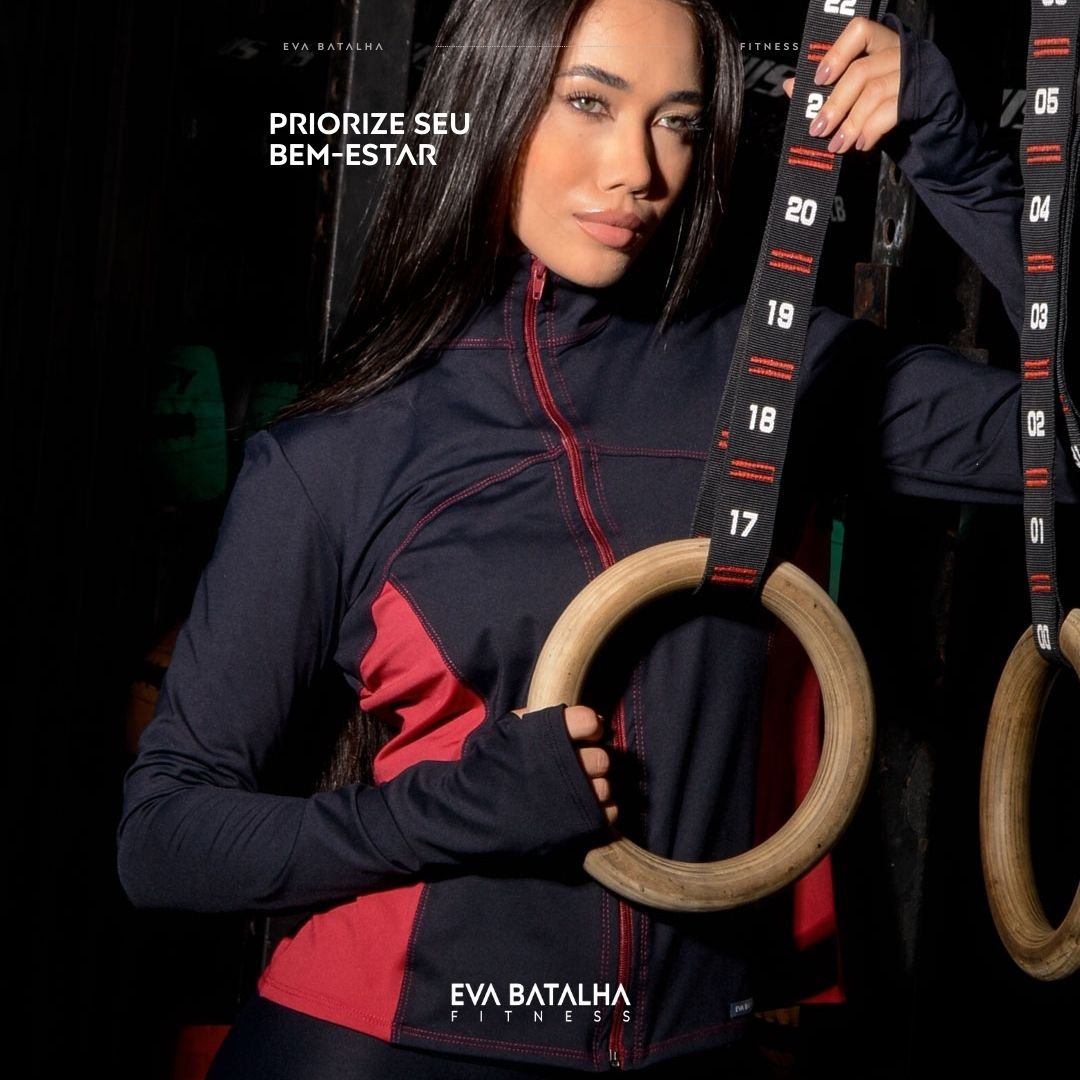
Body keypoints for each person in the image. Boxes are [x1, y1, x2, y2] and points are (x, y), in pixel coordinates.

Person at [117, 0, 1076, 1075]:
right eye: (589, 102)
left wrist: (959, 160)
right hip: (381, 1046)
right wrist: (451, 813)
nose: (637, 171)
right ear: (496, 99)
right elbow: (163, 840)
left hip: (690, 1044)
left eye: (678, 122)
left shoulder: (766, 378)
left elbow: (1071, 445)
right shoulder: (346, 448)